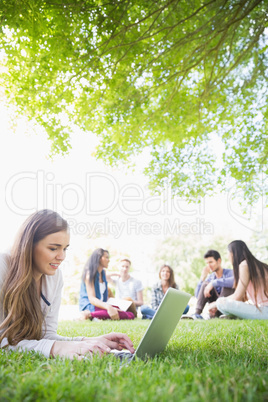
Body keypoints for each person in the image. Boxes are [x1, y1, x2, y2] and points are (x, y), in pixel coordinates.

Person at [0, 210, 134, 359]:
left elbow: (47, 336)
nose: (62, 257)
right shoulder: (2, 267)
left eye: (65, 248)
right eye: (53, 248)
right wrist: (55, 348)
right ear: (28, 245)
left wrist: (90, 341)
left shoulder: (55, 277)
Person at [215, 240, 268, 319]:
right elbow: (242, 297)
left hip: (265, 311)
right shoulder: (257, 264)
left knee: (220, 303)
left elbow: (237, 296)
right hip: (263, 310)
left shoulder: (244, 264)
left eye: (227, 253)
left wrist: (215, 303)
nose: (227, 256)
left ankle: (236, 316)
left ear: (232, 253)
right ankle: (237, 316)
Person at [79, 249, 135, 320]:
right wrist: (108, 307)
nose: (108, 260)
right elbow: (92, 299)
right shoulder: (89, 274)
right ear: (99, 258)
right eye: (106, 257)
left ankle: (93, 316)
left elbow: (103, 296)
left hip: (102, 305)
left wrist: (114, 304)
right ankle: (89, 315)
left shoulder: (103, 273)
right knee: (127, 315)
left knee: (130, 314)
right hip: (91, 306)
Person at [183, 249, 234, 319]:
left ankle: (225, 313)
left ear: (219, 261)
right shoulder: (210, 277)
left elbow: (234, 282)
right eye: (207, 263)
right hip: (214, 310)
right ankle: (196, 315)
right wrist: (202, 278)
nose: (209, 265)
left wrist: (213, 283)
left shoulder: (230, 272)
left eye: (211, 262)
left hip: (226, 306)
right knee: (205, 284)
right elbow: (198, 296)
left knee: (227, 285)